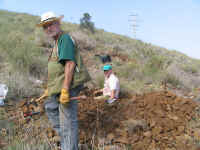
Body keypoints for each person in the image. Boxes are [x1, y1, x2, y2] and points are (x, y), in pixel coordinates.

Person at [36, 11, 90, 150]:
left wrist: (65, 89)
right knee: (50, 106)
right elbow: (56, 69)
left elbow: (70, 64)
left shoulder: (64, 39)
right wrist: (50, 88)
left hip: (68, 87)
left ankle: (69, 144)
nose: (48, 28)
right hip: (58, 87)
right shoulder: (57, 43)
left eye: (51, 24)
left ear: (58, 23)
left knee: (68, 123)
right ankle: (67, 140)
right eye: (45, 26)